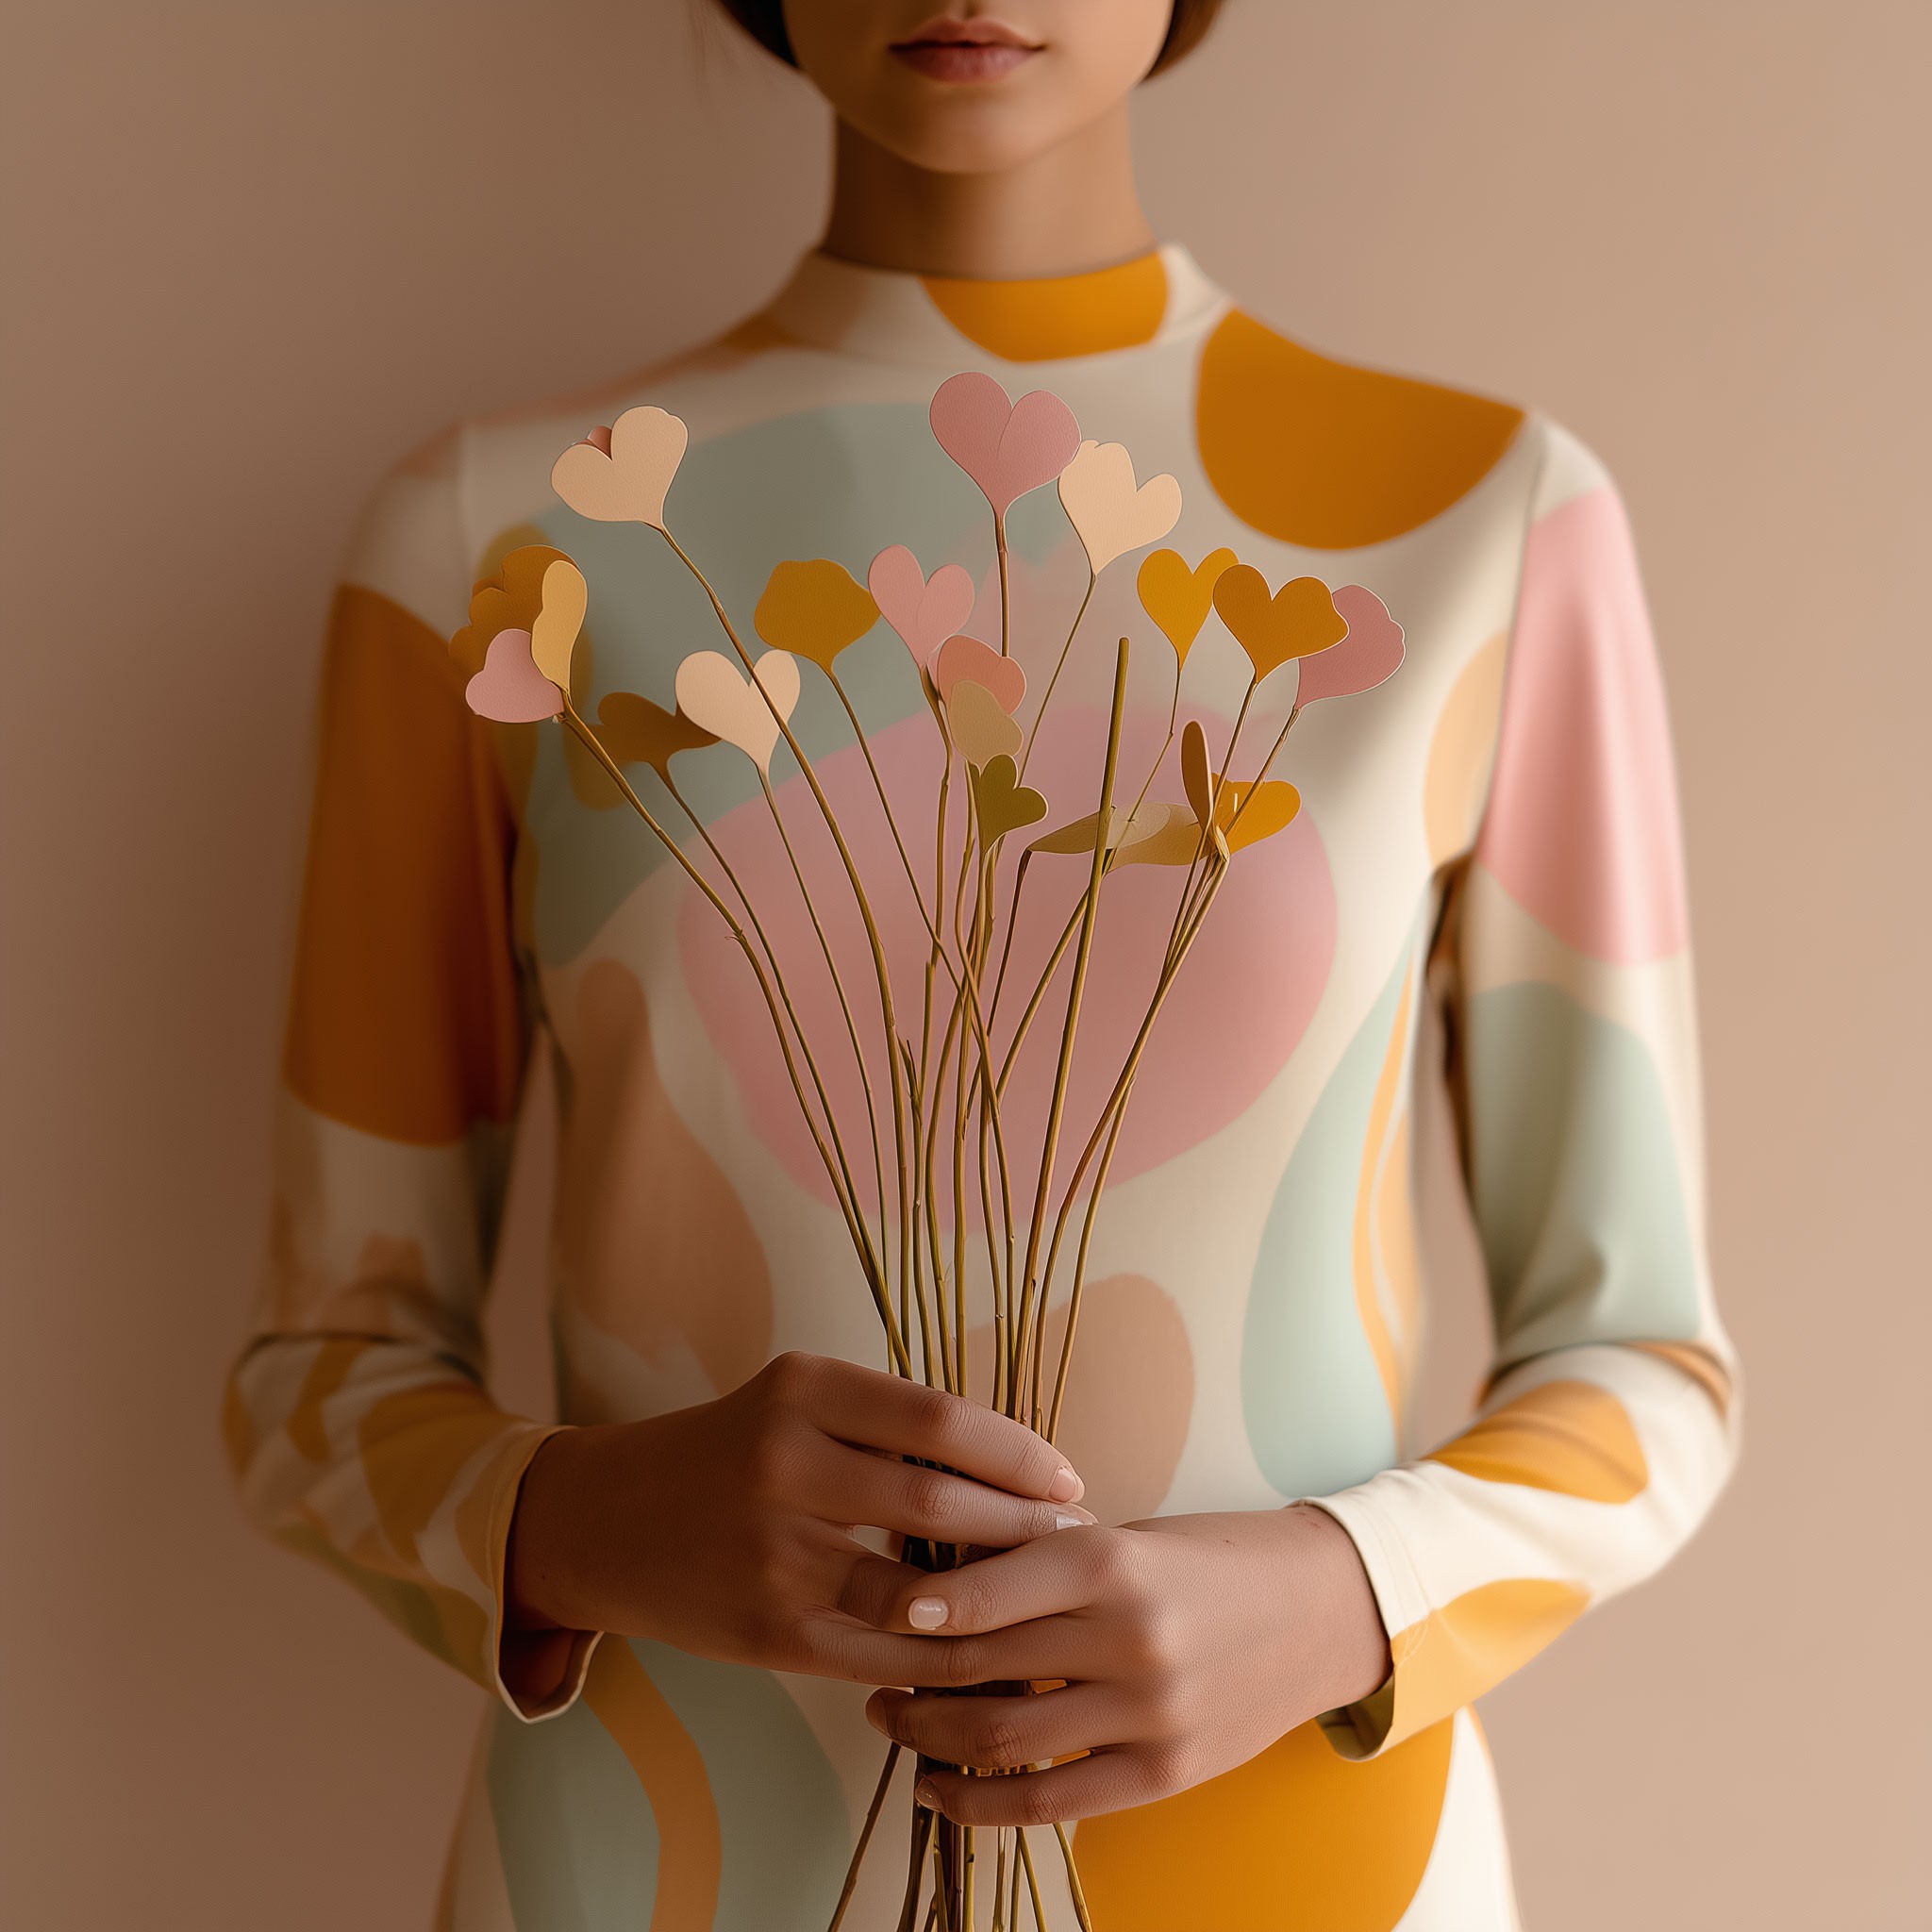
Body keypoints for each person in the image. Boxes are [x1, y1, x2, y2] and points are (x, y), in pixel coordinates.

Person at [224, 4, 1740, 1925]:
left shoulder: (1485, 524)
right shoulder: (491, 541)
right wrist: (593, 1523)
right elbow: (314, 1372)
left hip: (1307, 1870)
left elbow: (1650, 1363)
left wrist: (1339, 1590)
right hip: (647, 1871)